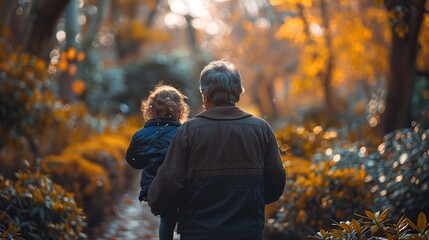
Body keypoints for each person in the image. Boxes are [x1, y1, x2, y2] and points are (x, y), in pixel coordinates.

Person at [148, 60, 286, 240]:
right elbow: (275, 183)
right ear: (238, 94)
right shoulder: (261, 129)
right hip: (247, 231)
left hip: (198, 232)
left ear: (205, 96)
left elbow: (168, 183)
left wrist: (155, 201)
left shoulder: (188, 132)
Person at [125, 84, 190, 240]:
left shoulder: (142, 134)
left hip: (157, 188)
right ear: (180, 110)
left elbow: (133, 160)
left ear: (151, 109)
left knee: (167, 219)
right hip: (183, 185)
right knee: (188, 218)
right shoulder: (184, 132)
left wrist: (149, 159)